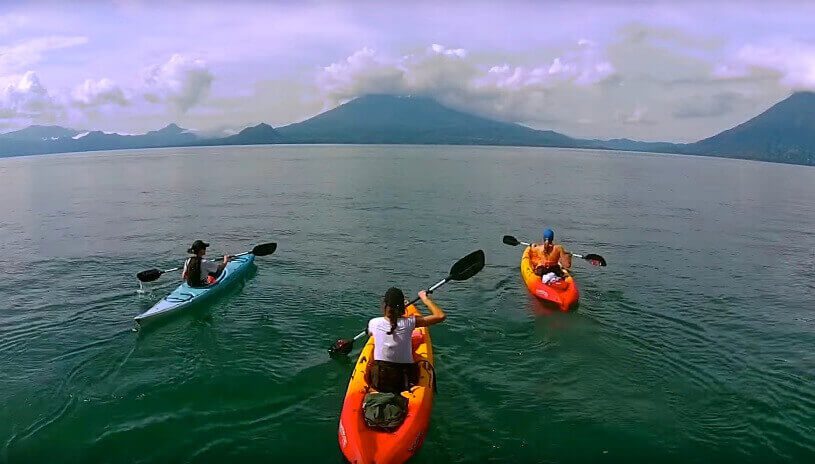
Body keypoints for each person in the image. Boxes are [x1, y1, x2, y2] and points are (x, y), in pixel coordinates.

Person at [367, 287, 446, 394]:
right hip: (404, 380)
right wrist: (424, 298)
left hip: (380, 380)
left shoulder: (373, 323)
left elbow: (372, 332)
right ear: (403, 308)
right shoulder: (410, 322)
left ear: (384, 305)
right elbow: (440, 316)